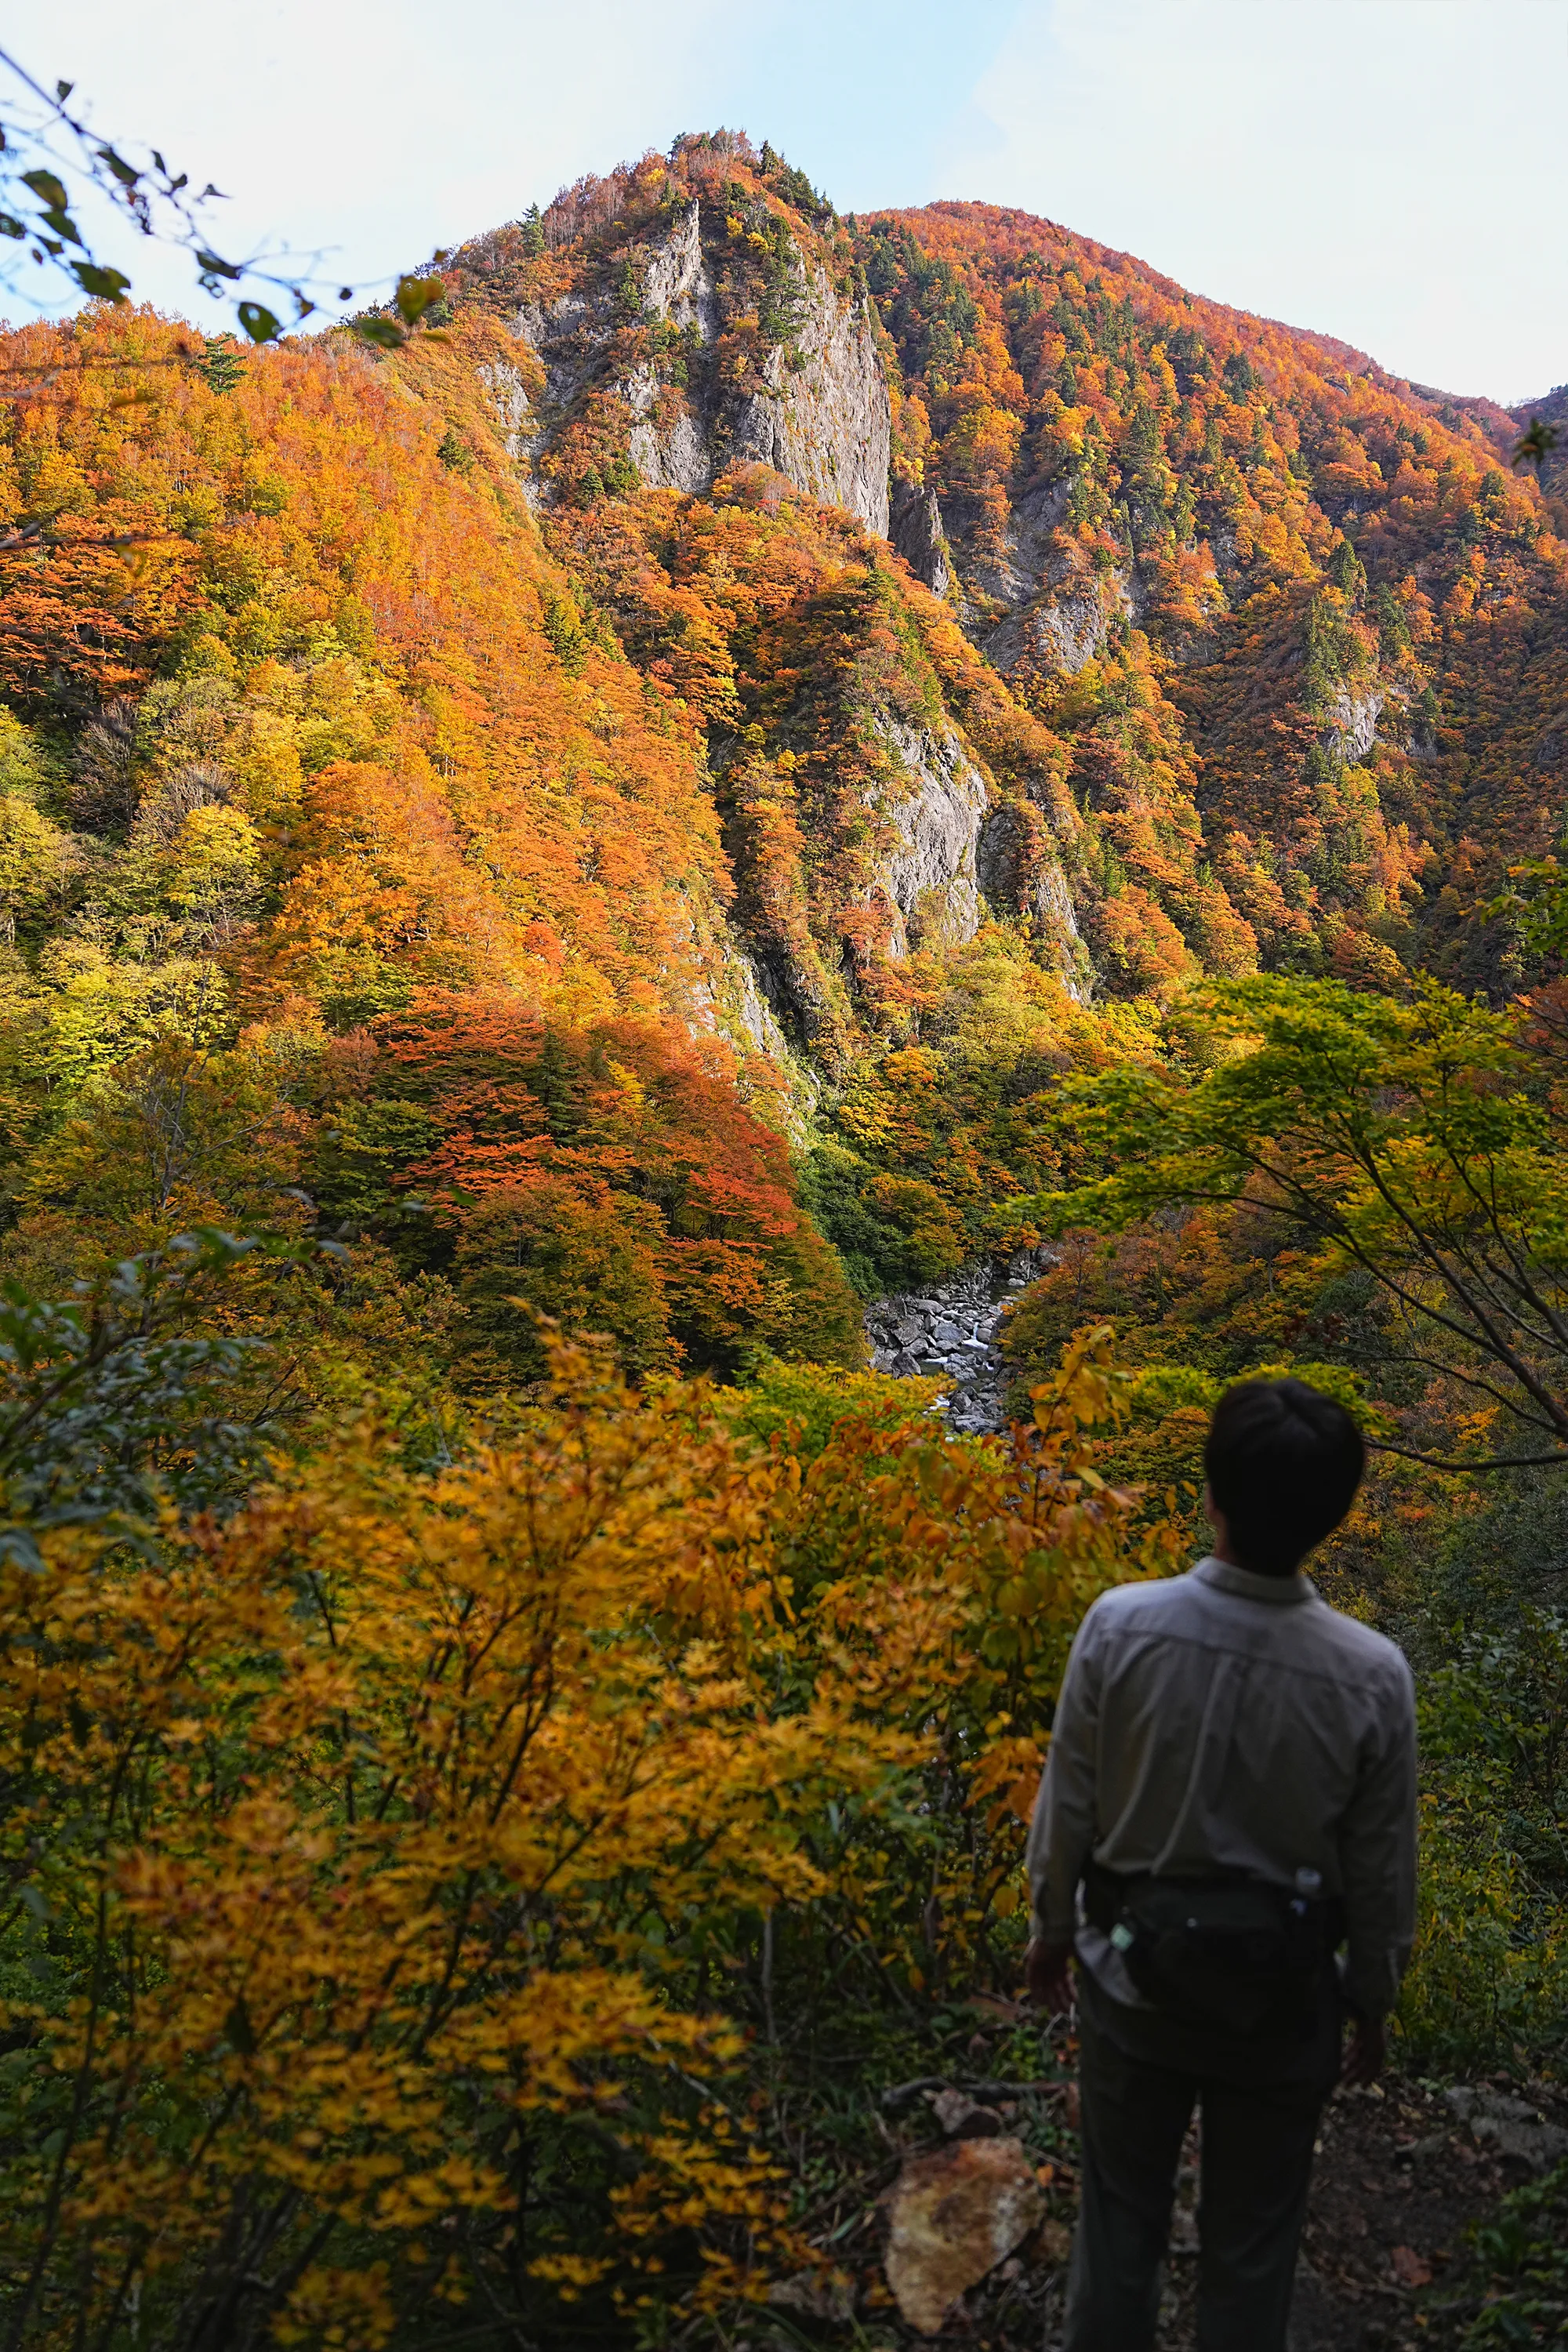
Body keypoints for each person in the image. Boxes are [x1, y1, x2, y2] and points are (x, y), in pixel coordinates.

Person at [1024, 1377, 1417, 2352]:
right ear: (1333, 1514)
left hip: (1132, 1978)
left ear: (1210, 1492)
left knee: (1119, 2218)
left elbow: (1066, 1803)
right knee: (1253, 2240)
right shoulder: (1369, 1674)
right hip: (1283, 2000)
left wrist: (1048, 1935)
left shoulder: (1120, 1625)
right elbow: (1377, 1870)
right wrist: (1371, 1994)